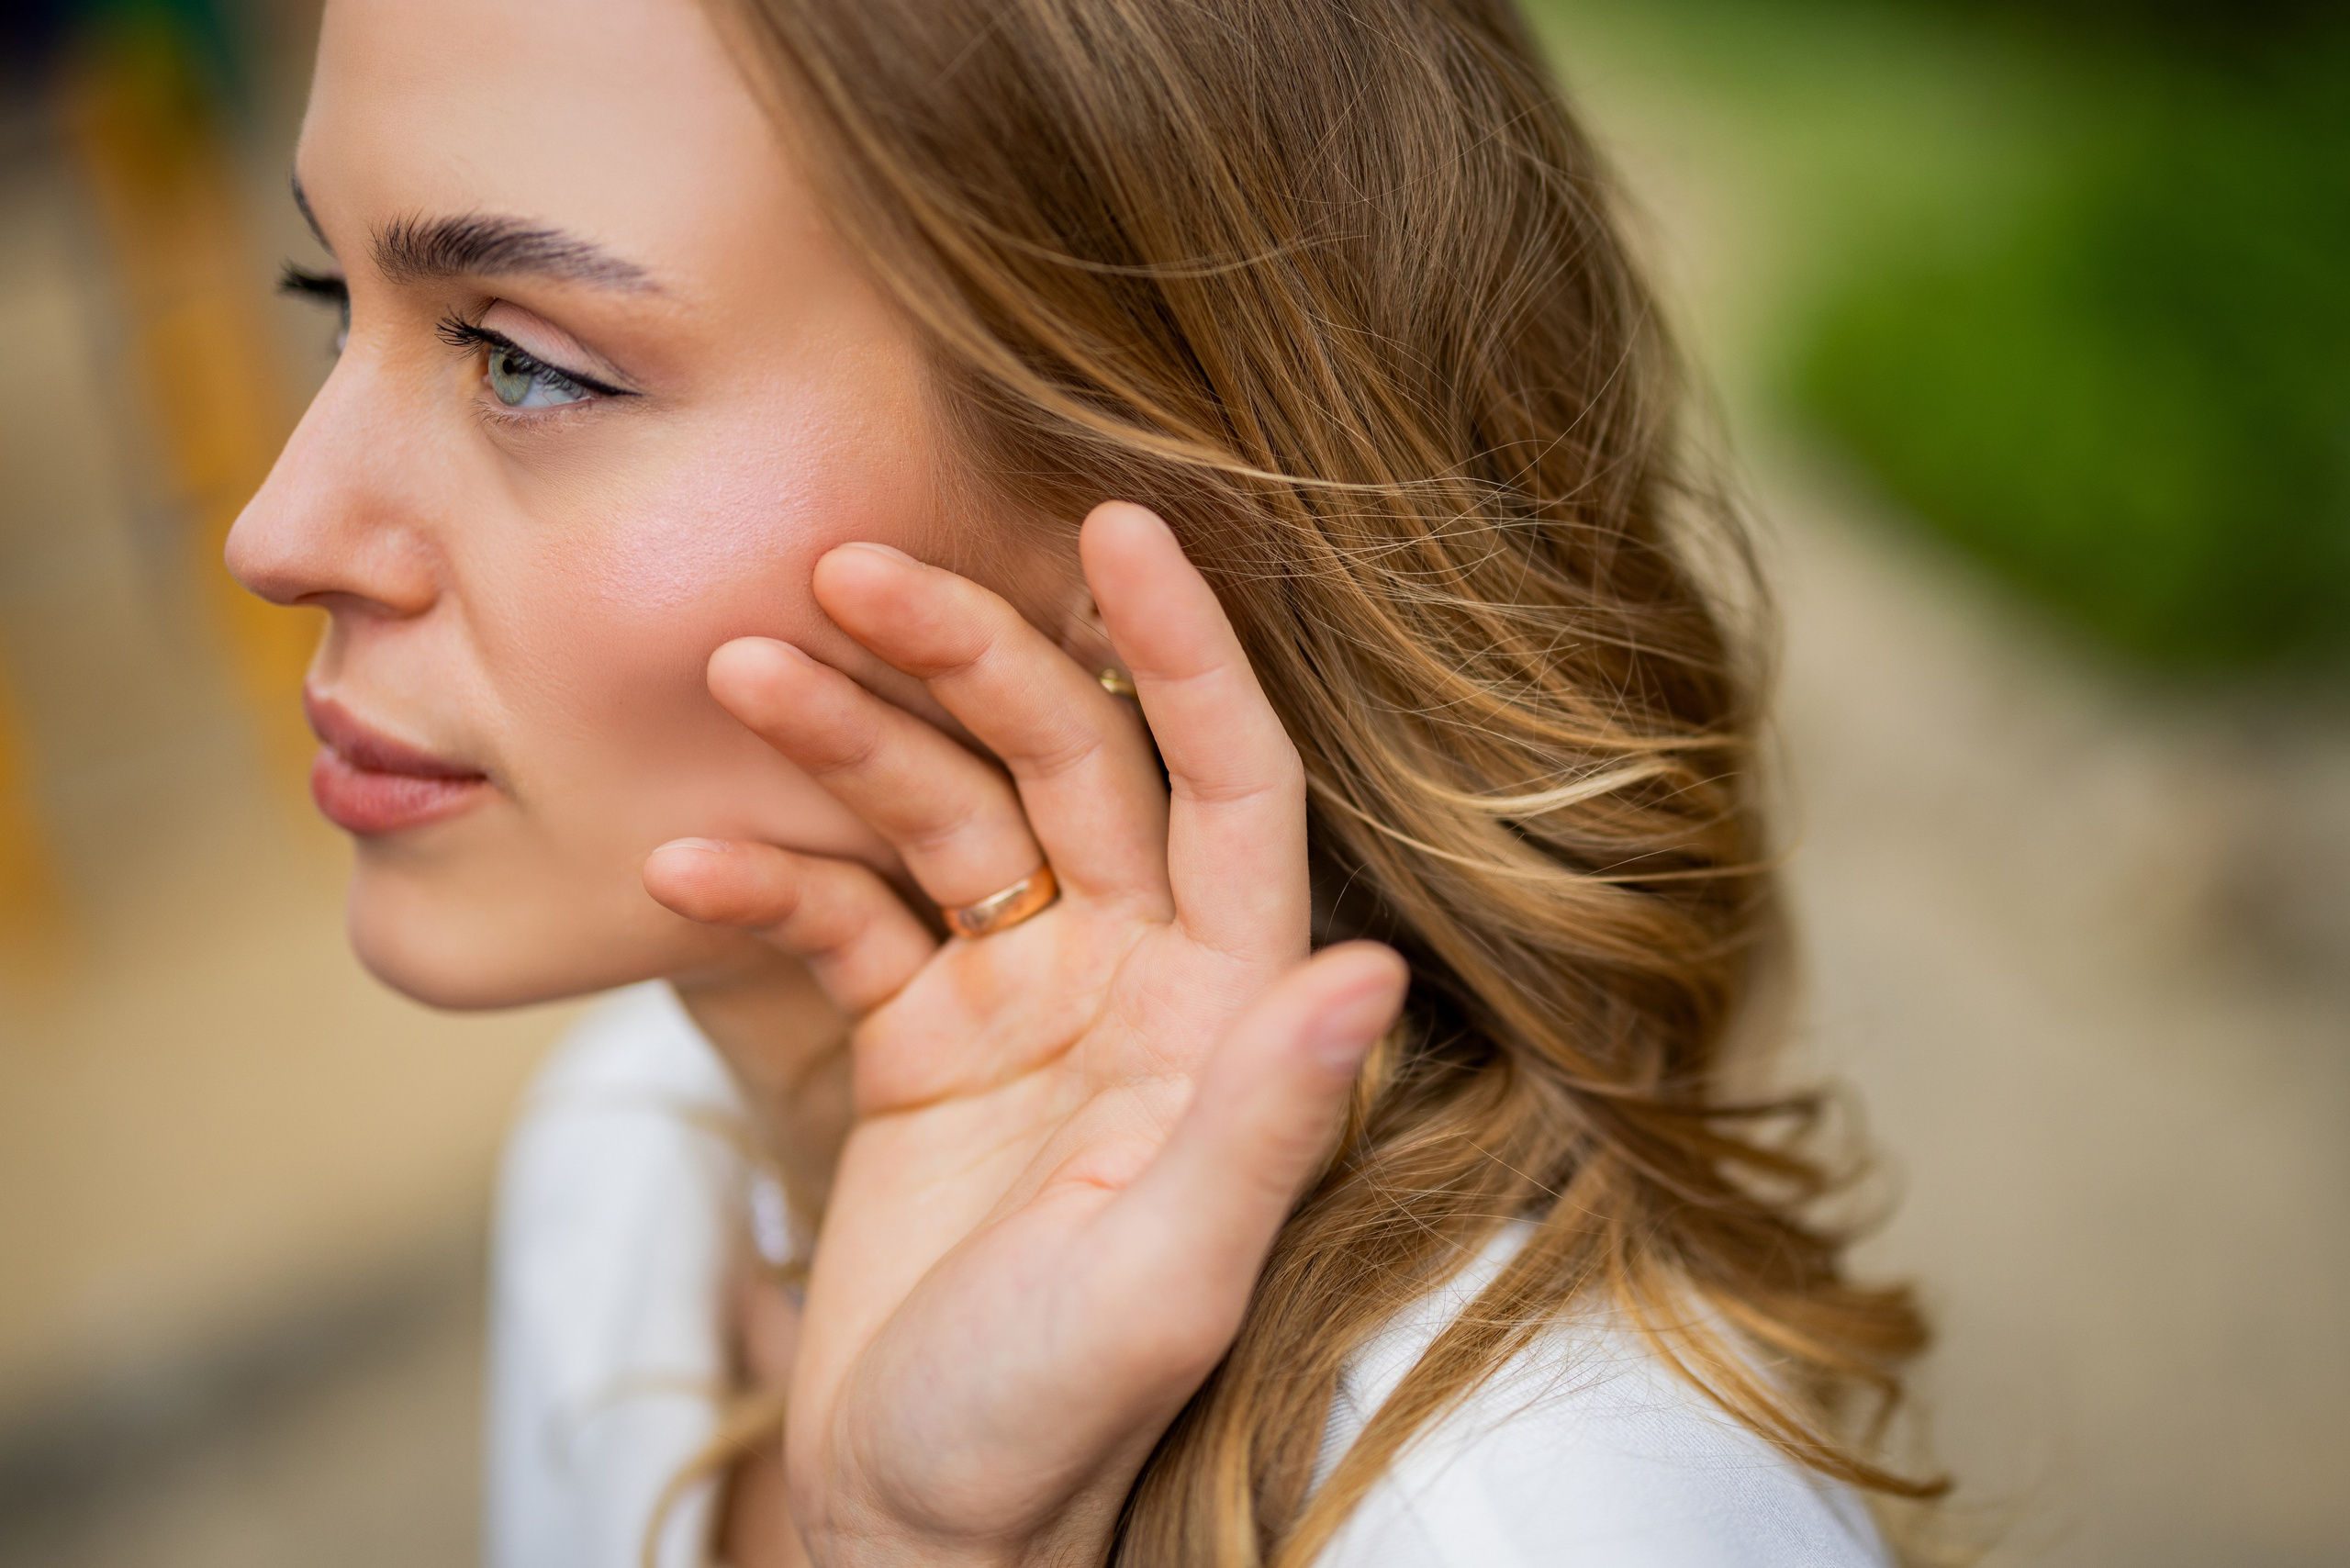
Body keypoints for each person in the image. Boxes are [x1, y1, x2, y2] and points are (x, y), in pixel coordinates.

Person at [229, 0, 1945, 1562]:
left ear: (1137, 521)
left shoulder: (1544, 1513)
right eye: (330, 299)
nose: (280, 532)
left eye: (524, 359)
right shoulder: (628, 1162)